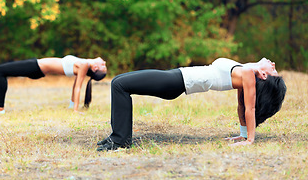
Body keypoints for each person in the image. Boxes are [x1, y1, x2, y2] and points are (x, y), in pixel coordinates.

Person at [96, 57, 286, 151]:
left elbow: (250, 108)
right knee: (119, 81)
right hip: (176, 76)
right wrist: (242, 135)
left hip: (176, 82)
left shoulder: (247, 75)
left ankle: (120, 140)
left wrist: (250, 140)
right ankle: (117, 138)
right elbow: (241, 106)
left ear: (263, 75)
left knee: (119, 84)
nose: (273, 62)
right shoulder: (245, 70)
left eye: (273, 69)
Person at [0, 55, 107, 115]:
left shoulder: (84, 65)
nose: (104, 62)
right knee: (0, 71)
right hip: (36, 66)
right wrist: (71, 105)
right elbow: (75, 86)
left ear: (95, 68)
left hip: (36, 67)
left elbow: (78, 87)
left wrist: (75, 110)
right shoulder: (83, 63)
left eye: (103, 66)